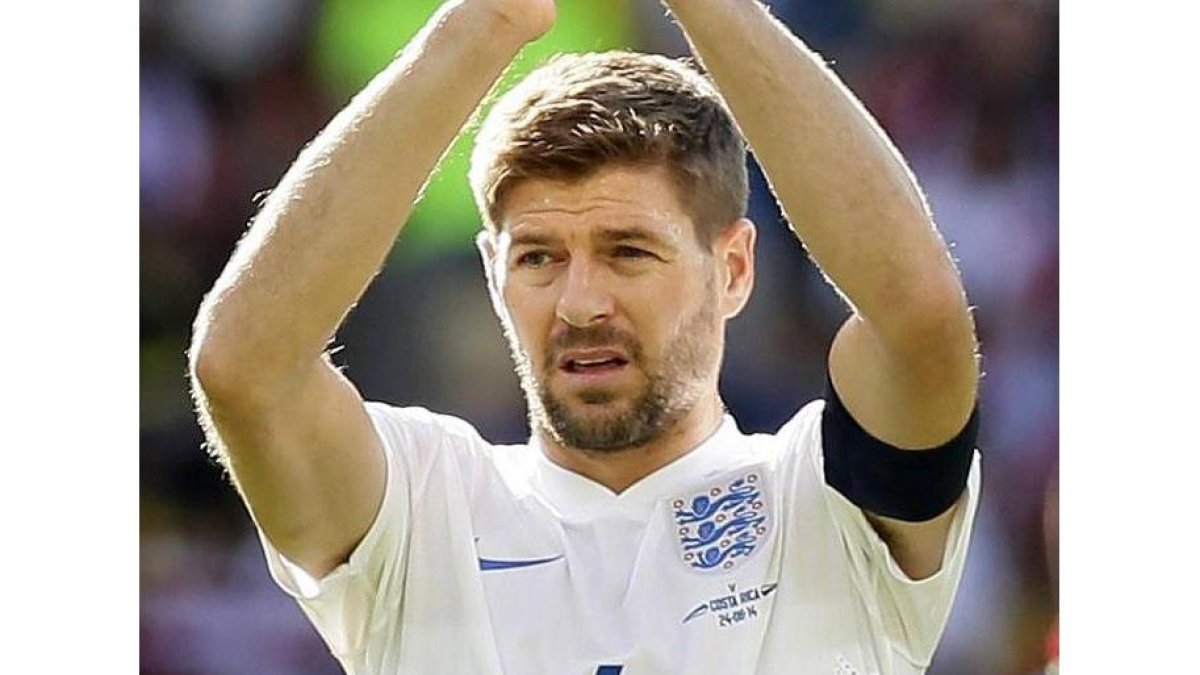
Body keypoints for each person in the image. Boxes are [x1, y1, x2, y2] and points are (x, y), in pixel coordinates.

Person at [188, 1, 982, 673]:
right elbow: (245, 368)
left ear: (733, 268)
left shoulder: (822, 503)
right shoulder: (424, 507)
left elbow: (917, 312)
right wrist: (490, 21)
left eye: (628, 251)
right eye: (538, 257)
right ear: (493, 274)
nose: (579, 302)